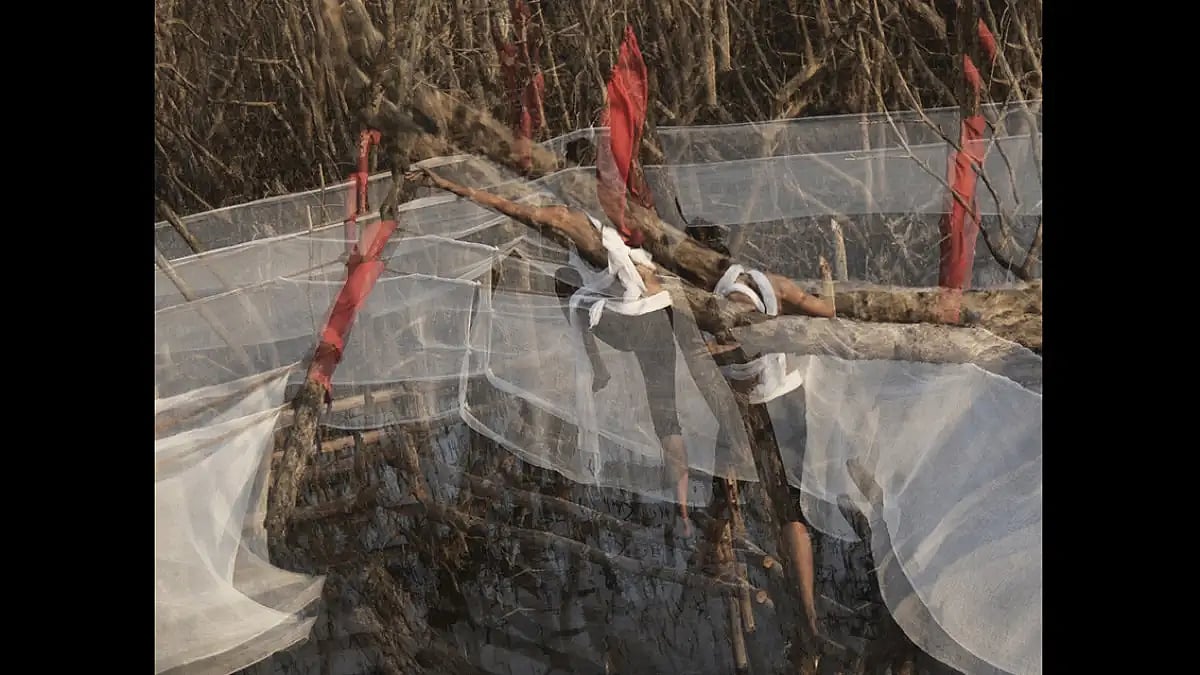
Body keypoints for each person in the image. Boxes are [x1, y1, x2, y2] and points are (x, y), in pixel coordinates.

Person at [553, 263, 694, 536]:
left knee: (666, 421)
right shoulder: (592, 291)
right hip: (653, 325)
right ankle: (684, 511)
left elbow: (586, 338)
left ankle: (684, 511)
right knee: (667, 421)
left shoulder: (580, 300)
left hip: (636, 326)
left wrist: (599, 369)